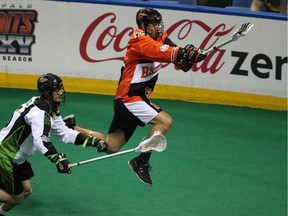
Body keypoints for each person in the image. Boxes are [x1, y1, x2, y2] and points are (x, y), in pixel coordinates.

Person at [64, 8, 206, 186]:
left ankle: (70, 126)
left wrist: (194, 57)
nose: (157, 27)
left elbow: (181, 61)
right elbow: (163, 52)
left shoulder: (160, 37)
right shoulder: (139, 41)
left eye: (158, 23)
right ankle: (141, 160)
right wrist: (183, 52)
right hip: (130, 98)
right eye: (153, 24)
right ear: (143, 25)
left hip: (132, 100)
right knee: (165, 121)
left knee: (112, 146)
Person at [0, 73, 107, 215]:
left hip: (17, 157)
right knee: (16, 198)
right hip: (5, 155)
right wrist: (58, 159)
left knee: (27, 190)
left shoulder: (49, 107)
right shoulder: (39, 112)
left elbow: (64, 133)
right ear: (47, 92)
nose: (61, 92)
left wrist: (90, 140)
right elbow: (40, 140)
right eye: (58, 89)